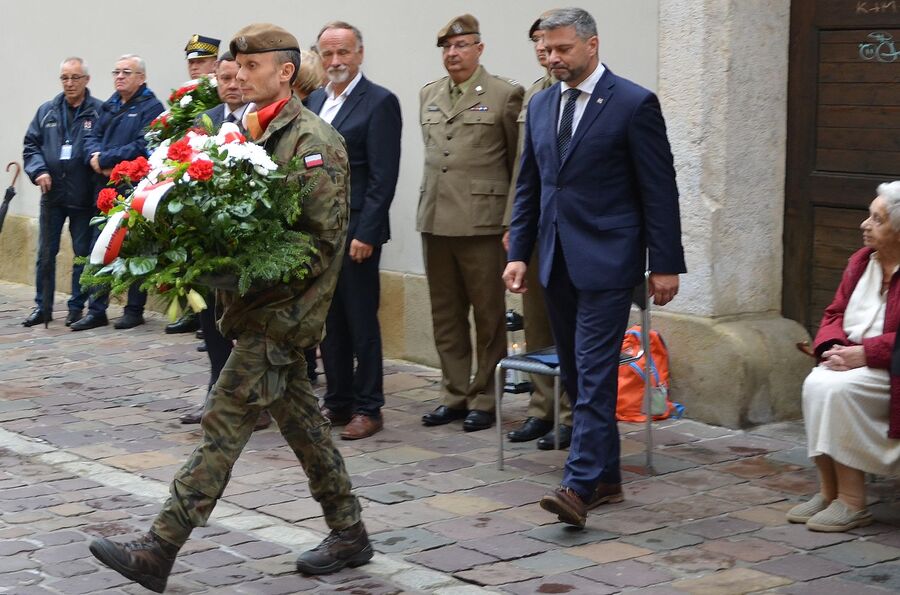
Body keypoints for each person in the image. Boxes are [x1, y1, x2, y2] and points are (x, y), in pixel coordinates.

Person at [89, 24, 371, 592]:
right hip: (251, 307)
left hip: (284, 314)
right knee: (303, 425)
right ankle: (349, 531)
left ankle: (160, 546)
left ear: (284, 72)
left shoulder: (313, 142)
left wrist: (233, 264)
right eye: (234, 67)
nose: (237, 75)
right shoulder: (246, 132)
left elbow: (318, 247)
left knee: (223, 420)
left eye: (250, 66)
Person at [504, 7, 685, 528]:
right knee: (580, 374)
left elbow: (659, 188)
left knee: (596, 368)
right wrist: (518, 253)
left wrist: (665, 263)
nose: (553, 57)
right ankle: (607, 477)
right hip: (555, 259)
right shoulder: (540, 105)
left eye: (563, 48)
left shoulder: (632, 103)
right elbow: (531, 185)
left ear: (592, 45)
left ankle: (578, 485)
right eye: (546, 48)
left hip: (610, 259)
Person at [418, 14, 524, 432]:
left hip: (482, 223)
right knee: (445, 315)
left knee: (488, 315)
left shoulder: (504, 94)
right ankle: (454, 393)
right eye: (447, 47)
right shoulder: (428, 94)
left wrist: (512, 221)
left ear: (479, 49)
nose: (453, 54)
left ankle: (485, 397)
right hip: (436, 218)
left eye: (461, 46)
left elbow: (518, 164)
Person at [787, 181, 900, 532]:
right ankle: (829, 492)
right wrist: (831, 348)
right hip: (852, 360)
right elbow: (834, 313)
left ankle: (853, 503)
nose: (864, 225)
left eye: (877, 219)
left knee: (837, 390)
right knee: (817, 382)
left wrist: (866, 354)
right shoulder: (861, 261)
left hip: (892, 369)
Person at [307, 21, 402, 440]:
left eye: (343, 52)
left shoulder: (379, 102)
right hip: (319, 232)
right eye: (327, 54)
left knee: (362, 322)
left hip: (356, 230)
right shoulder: (313, 99)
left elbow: (384, 176)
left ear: (359, 54)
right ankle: (338, 401)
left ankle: (369, 406)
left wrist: (367, 232)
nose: (335, 61)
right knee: (329, 323)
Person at [178, 52, 271, 431]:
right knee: (212, 322)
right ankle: (216, 391)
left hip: (248, 244)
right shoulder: (208, 121)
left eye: (236, 77)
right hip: (210, 244)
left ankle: (258, 402)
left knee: (249, 324)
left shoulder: (259, 120)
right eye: (223, 79)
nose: (231, 85)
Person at [502, 14, 574, 450]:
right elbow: (520, 171)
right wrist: (515, 225)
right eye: (539, 45)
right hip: (535, 229)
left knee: (568, 325)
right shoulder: (534, 95)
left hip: (570, 230)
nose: (546, 54)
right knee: (536, 322)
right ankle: (540, 409)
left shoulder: (593, 97)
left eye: (554, 46)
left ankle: (569, 414)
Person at [73, 54, 164, 331]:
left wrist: (107, 160)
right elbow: (91, 136)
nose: (120, 77)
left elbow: (142, 145)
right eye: (117, 72)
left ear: (141, 78)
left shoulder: (152, 107)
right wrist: (94, 157)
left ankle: (134, 309)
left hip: (134, 187)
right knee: (99, 247)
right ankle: (96, 308)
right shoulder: (109, 105)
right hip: (105, 189)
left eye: (127, 72)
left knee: (136, 247)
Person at [22, 57, 103, 328]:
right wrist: (38, 171)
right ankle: (42, 306)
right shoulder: (47, 111)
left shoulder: (98, 112)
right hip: (52, 195)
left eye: (75, 78)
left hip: (82, 195)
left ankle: (76, 307)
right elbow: (31, 146)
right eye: (65, 78)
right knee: (46, 254)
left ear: (86, 80)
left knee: (82, 254)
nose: (69, 83)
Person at [167, 35, 223, 337]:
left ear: (214, 62)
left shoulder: (217, 93)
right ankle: (194, 311)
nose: (195, 67)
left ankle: (211, 318)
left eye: (201, 61)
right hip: (186, 176)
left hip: (209, 176)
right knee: (189, 249)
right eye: (191, 62)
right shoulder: (185, 95)